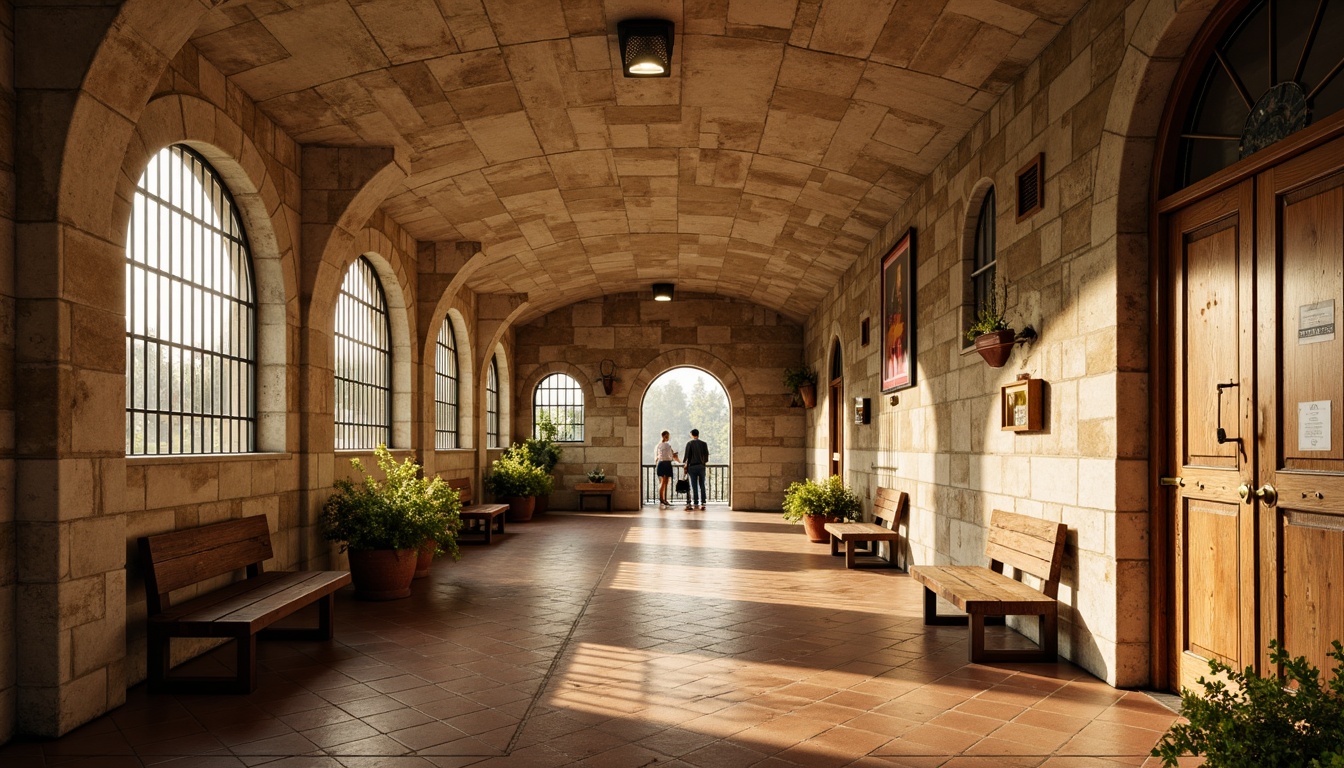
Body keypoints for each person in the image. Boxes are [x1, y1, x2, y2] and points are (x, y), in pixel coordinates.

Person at [682, 428, 709, 510]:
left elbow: (686, 456)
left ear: (691, 435)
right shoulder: (704, 444)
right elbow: (706, 456)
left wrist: (685, 466)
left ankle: (696, 501)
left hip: (692, 467)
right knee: (702, 484)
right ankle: (703, 500)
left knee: (694, 485)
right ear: (698, 434)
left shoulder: (689, 443)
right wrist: (703, 463)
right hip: (701, 466)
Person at [654, 430, 679, 507]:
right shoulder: (668, 446)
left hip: (660, 463)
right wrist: (679, 461)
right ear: (666, 436)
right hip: (666, 463)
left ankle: (662, 498)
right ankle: (663, 499)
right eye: (667, 436)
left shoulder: (658, 445)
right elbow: (672, 456)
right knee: (665, 482)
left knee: (662, 482)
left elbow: (657, 457)